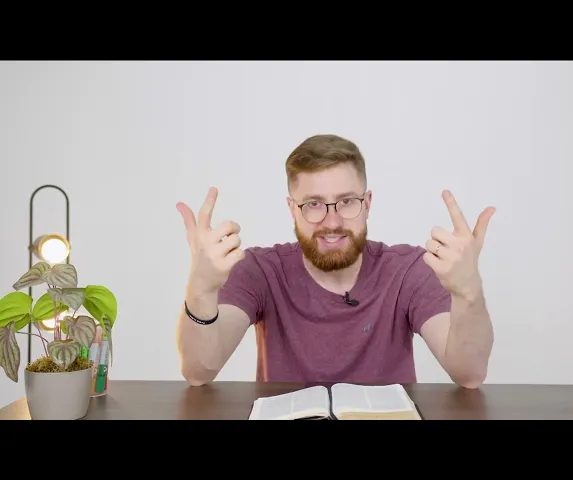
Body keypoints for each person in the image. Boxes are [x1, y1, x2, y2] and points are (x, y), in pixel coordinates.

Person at [175, 134, 495, 388]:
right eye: (314, 204)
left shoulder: (407, 270)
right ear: (292, 209)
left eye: (346, 202)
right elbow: (199, 372)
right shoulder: (259, 271)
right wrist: (200, 288)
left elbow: (469, 374)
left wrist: (468, 290)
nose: (332, 222)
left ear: (367, 204)